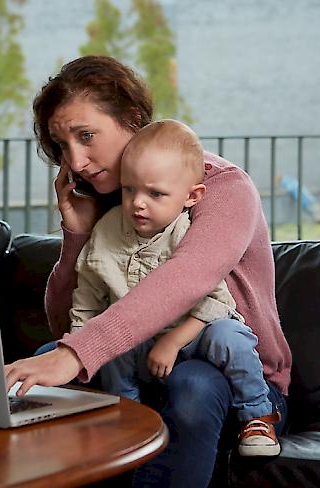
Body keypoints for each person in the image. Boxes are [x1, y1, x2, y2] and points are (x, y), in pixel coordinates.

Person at [4, 55, 292, 487]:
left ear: (133, 119)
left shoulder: (224, 189)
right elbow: (68, 324)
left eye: (86, 136)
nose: (76, 161)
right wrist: (77, 234)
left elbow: (184, 281)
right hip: (134, 370)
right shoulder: (109, 205)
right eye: (62, 146)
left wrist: (78, 353)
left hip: (238, 381)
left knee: (192, 383)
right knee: (42, 364)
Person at [68, 119, 280, 456]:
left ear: (192, 196)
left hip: (195, 335)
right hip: (138, 342)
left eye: (155, 194)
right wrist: (78, 343)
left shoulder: (189, 232)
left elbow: (216, 301)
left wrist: (173, 340)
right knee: (109, 346)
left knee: (230, 335)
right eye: (129, 190)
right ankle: (129, 414)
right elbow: (87, 292)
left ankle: (257, 414)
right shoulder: (107, 230)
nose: (138, 203)